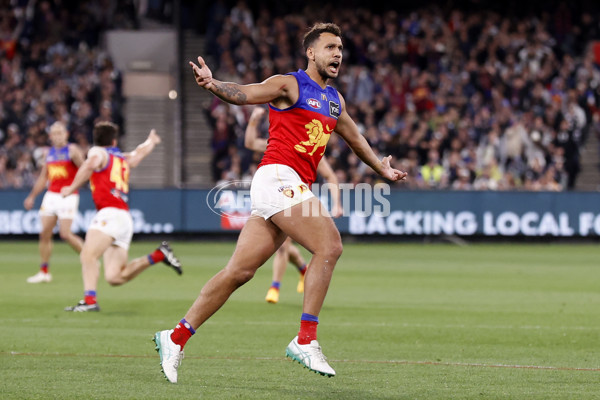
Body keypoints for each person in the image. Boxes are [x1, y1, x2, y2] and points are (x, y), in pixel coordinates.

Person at [153, 22, 406, 383]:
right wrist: (214, 84)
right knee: (330, 246)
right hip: (278, 177)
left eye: (340, 48)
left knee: (239, 273)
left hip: (288, 186)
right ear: (311, 52)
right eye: (330, 47)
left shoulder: (334, 100)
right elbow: (245, 92)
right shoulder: (290, 84)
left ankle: (175, 337)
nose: (338, 53)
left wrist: (380, 166)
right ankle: (306, 339)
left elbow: (354, 137)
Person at [60, 122, 182, 312]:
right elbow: (139, 153)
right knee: (115, 277)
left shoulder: (97, 152)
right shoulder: (122, 158)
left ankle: (90, 302)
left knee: (87, 255)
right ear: (114, 140)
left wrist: (71, 187)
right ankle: (157, 255)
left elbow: (90, 164)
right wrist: (151, 141)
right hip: (124, 217)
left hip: (109, 213)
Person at [244, 106, 343, 304]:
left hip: (297, 201)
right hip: (275, 197)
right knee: (283, 245)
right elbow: (250, 142)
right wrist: (253, 120)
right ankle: (302, 269)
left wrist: (337, 204)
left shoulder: (312, 151)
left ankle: (275, 287)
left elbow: (330, 176)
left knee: (284, 246)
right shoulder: (280, 145)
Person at [23, 122, 85, 283]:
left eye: (60, 133)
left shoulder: (72, 151)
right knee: (44, 234)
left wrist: (73, 187)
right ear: (50, 136)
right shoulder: (48, 153)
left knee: (65, 234)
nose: (57, 136)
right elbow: (44, 177)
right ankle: (44, 271)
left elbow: (86, 170)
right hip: (51, 196)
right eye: (54, 133)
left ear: (66, 134)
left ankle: (88, 257)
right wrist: (32, 196)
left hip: (68, 196)